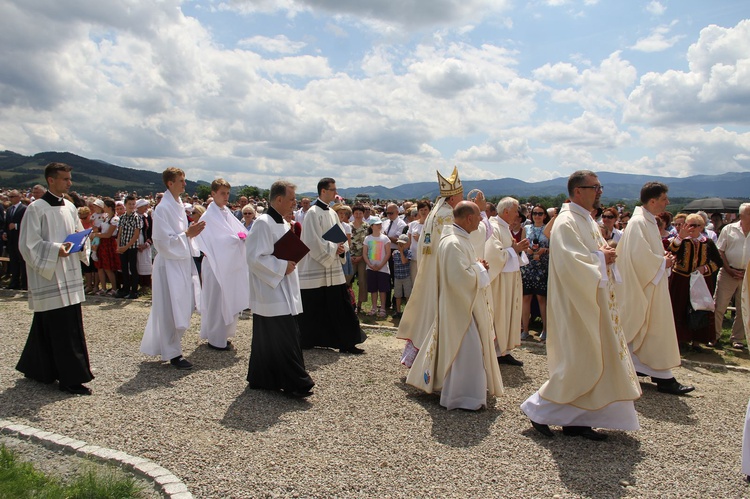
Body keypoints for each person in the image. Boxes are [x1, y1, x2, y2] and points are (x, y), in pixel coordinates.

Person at [521, 170, 641, 441]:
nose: (600, 191)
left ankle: (577, 420)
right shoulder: (566, 222)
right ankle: (537, 408)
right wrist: (602, 257)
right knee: (580, 363)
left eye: (600, 187)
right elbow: (570, 262)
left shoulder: (584, 219)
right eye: (595, 187)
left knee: (595, 360)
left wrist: (603, 255)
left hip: (594, 302)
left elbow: (592, 254)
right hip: (576, 305)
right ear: (578, 191)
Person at [406, 201, 503, 410]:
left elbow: (465, 268)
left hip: (464, 306)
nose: (480, 221)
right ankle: (463, 396)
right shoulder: (453, 243)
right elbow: (459, 279)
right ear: (469, 218)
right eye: (478, 217)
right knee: (467, 352)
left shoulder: (460, 238)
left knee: (469, 352)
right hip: (459, 310)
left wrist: (477, 266)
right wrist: (479, 268)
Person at [16, 162, 94, 395]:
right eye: (65, 179)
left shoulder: (70, 206)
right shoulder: (36, 208)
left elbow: (79, 232)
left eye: (70, 178)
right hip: (49, 274)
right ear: (51, 180)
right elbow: (28, 244)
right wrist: (56, 249)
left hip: (68, 271)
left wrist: (81, 243)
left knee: (49, 324)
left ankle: (38, 368)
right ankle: (70, 378)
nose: (69, 183)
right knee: (62, 328)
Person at [616, 182, 694, 395]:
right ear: (652, 200)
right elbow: (637, 257)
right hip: (643, 285)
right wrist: (662, 263)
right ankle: (662, 377)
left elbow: (646, 253)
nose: (667, 202)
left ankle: (644, 371)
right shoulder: (638, 222)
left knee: (650, 330)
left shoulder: (647, 221)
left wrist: (661, 260)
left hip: (651, 282)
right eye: (664, 199)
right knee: (649, 329)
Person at [246, 180, 315, 398]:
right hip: (271, 290)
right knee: (283, 338)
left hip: (283, 287)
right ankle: (297, 382)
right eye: (292, 198)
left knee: (270, 338)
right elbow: (254, 258)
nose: (295, 203)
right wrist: (282, 266)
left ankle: (262, 377)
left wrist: (289, 262)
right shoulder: (263, 223)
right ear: (278, 199)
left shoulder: (283, 224)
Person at [140, 167, 205, 369]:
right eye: (181, 180)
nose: (185, 184)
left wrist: (190, 235)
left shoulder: (177, 205)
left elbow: (182, 235)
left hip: (181, 262)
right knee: (170, 308)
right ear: (170, 183)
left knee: (183, 306)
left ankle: (169, 346)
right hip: (168, 265)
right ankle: (173, 353)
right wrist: (187, 234)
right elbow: (161, 241)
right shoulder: (163, 208)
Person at [398, 167, 463, 366]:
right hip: (442, 272)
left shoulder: (437, 212)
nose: (461, 198)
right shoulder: (448, 216)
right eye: (460, 194)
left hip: (431, 270)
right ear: (452, 198)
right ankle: (435, 358)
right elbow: (453, 245)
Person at [296, 177, 365, 354]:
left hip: (333, 269)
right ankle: (308, 340)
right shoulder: (312, 213)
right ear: (323, 191)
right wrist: (334, 248)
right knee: (314, 307)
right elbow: (311, 241)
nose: (336, 192)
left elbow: (341, 236)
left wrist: (341, 248)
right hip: (316, 268)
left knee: (340, 306)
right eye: (333, 189)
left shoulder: (333, 213)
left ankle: (346, 342)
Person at [195, 178, 250, 351]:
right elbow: (213, 241)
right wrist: (236, 240)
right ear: (213, 194)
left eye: (227, 193)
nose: (226, 197)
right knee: (216, 301)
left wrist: (242, 237)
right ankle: (215, 337)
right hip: (215, 264)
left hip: (228, 264)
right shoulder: (209, 216)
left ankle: (222, 334)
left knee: (227, 299)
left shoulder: (226, 212)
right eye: (222, 193)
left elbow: (238, 231)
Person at [667, 213, 723, 351]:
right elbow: (671, 250)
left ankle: (697, 339)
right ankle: (679, 338)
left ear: (701, 227)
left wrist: (705, 268)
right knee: (678, 307)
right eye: (688, 224)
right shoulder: (681, 240)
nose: (691, 228)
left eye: (694, 225)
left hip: (700, 280)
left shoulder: (707, 242)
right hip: (681, 279)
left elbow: (718, 262)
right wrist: (680, 236)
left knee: (699, 308)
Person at [486, 197, 529, 366]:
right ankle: (496, 350)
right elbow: (493, 255)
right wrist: (515, 249)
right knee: (500, 314)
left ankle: (503, 350)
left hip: (509, 279)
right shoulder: (493, 228)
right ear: (506, 211)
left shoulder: (504, 228)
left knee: (508, 313)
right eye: (516, 210)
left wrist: (517, 250)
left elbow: (508, 250)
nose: (518, 214)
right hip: (500, 282)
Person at [714, 203, 749, 349]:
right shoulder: (728, 229)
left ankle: (737, 338)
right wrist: (728, 269)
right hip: (728, 272)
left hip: (748, 276)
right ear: (741, 215)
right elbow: (720, 251)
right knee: (719, 305)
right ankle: (714, 336)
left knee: (744, 308)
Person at [521, 204, 550, 342]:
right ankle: (525, 329)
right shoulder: (526, 228)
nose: (537, 216)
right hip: (528, 266)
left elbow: (554, 247)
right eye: (534, 213)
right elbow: (522, 245)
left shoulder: (548, 229)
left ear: (544, 215)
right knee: (525, 298)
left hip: (542, 266)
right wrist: (528, 250)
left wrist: (544, 251)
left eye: (540, 213)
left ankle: (545, 330)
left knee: (541, 299)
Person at [363, 216, 391, 318]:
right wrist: (370, 265)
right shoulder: (367, 238)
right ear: (372, 226)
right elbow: (365, 253)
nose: (379, 226)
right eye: (377, 224)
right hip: (370, 268)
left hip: (383, 268)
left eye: (380, 224)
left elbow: (388, 253)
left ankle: (382, 307)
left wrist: (380, 265)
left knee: (383, 289)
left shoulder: (385, 238)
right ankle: (374, 307)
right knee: (373, 289)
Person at [116, 195, 142, 299]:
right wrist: (118, 245)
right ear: (125, 204)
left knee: (132, 268)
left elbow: (136, 235)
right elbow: (120, 232)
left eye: (133, 204)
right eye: (129, 204)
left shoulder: (136, 218)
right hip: (123, 246)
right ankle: (125, 288)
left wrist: (127, 246)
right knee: (124, 268)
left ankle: (134, 290)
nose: (131, 206)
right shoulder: (122, 217)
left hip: (131, 247)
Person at [3, 190, 27, 289]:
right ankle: (14, 282)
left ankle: (24, 283)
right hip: (11, 240)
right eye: (10, 197)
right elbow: (7, 223)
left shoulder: (24, 209)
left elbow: (27, 224)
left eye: (13, 196)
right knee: (13, 261)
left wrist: (16, 226)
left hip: (20, 238)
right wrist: (5, 233)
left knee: (22, 262)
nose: (10, 199)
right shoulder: (9, 210)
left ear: (19, 197)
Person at [349, 204, 369, 312]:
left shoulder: (367, 227)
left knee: (362, 281)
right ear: (353, 214)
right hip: (350, 258)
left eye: (360, 213)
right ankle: (349, 302)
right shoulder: (348, 226)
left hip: (363, 258)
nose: (358, 215)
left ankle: (360, 304)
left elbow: (368, 243)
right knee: (348, 280)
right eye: (356, 213)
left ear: (363, 214)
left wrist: (362, 256)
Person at [406, 200, 430, 280]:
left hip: (426, 259)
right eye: (421, 210)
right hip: (414, 258)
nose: (423, 212)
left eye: (425, 210)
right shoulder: (413, 224)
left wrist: (420, 238)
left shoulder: (432, 225)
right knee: (415, 281)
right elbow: (408, 241)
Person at [392, 234, 413, 319]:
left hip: (406, 277)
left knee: (408, 294)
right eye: (399, 244)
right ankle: (398, 311)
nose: (400, 246)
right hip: (397, 277)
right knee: (398, 295)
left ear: (407, 244)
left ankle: (408, 312)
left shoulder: (409, 253)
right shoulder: (394, 253)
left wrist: (401, 252)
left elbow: (404, 261)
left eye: (403, 244)